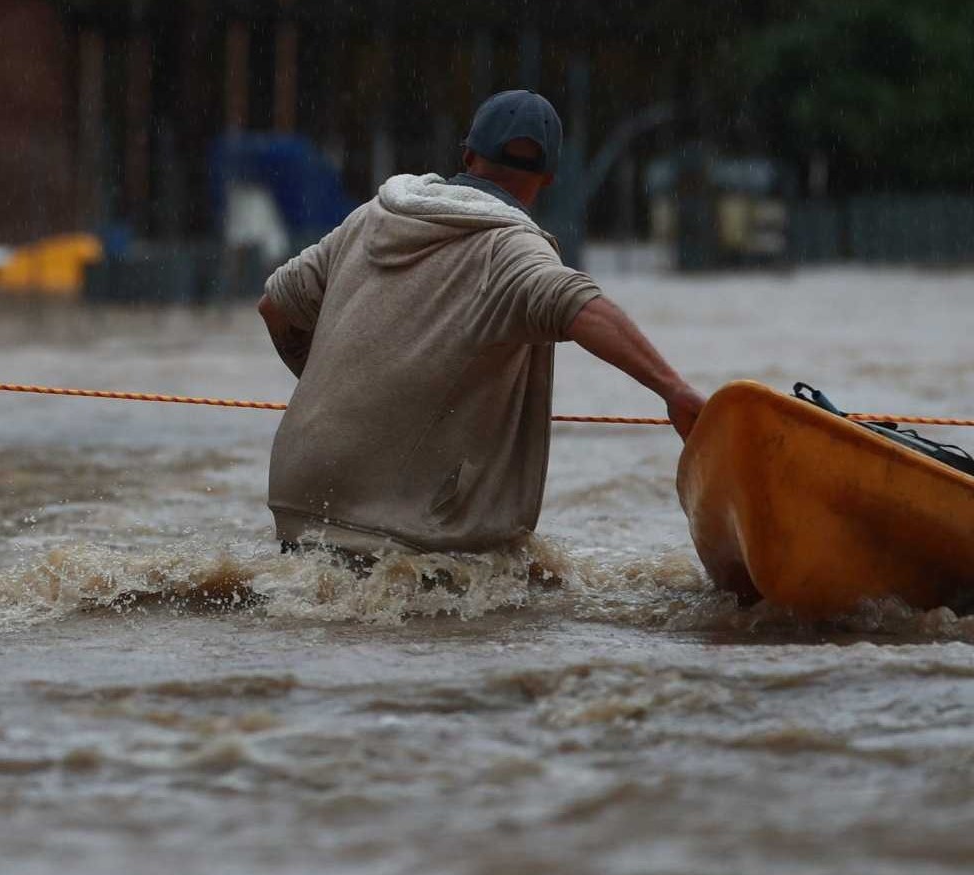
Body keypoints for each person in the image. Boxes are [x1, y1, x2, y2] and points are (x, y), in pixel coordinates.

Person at [255, 88, 706, 556]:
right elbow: (579, 304)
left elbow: (275, 306)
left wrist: (329, 391)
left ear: (468, 155)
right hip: (401, 520)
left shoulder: (371, 217)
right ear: (548, 178)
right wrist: (672, 390)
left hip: (299, 494)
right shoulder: (510, 249)